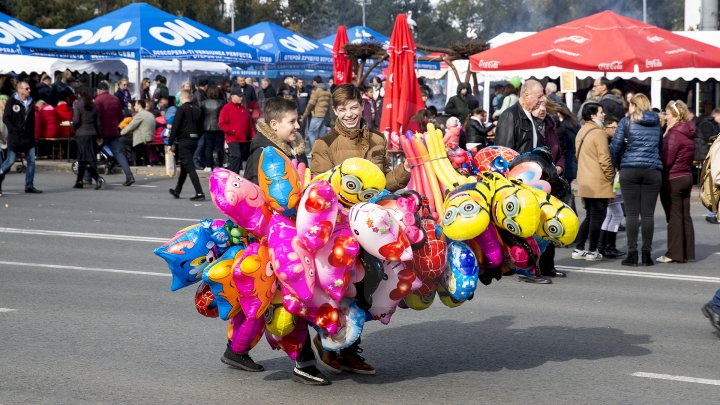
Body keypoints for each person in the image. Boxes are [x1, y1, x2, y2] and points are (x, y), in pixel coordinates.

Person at [311, 84, 411, 375]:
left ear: (362, 105)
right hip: (339, 227)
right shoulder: (325, 144)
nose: (349, 113)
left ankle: (348, 347)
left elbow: (384, 183)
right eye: (342, 109)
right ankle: (330, 342)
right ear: (335, 111)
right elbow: (321, 188)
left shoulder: (378, 139)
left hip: (373, 225)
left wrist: (405, 170)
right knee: (344, 288)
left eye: (353, 107)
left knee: (371, 286)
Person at [228, 97, 327, 385]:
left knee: (264, 297)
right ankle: (305, 362)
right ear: (274, 124)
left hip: (290, 231)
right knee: (291, 298)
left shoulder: (288, 149)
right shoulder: (263, 153)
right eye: (292, 121)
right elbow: (251, 197)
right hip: (273, 237)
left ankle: (235, 350)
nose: (298, 125)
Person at [494, 80, 567, 283]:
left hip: (536, 180)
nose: (542, 99)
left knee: (544, 221)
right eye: (538, 95)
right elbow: (504, 152)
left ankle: (544, 265)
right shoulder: (511, 116)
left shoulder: (533, 117)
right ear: (525, 95)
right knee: (528, 226)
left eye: (542, 95)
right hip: (520, 181)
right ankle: (527, 269)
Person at [610, 93, 663, 267]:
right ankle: (646, 255)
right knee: (648, 214)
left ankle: (632, 254)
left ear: (633, 105)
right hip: (652, 170)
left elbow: (615, 146)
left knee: (632, 214)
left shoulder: (626, 122)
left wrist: (617, 165)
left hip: (630, 169)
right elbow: (660, 146)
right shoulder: (656, 122)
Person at [571, 103, 614, 261]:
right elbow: (605, 159)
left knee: (590, 215)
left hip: (585, 179)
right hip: (598, 180)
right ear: (593, 115)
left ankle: (580, 247)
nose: (604, 115)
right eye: (601, 112)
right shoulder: (598, 133)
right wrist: (611, 176)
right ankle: (592, 249)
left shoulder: (582, 130)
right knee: (598, 216)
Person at [657, 100, 695, 263]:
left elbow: (667, 160)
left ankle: (674, 253)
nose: (665, 117)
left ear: (675, 116)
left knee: (674, 217)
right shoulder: (688, 132)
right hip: (686, 176)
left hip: (673, 178)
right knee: (684, 216)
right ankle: (687, 252)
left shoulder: (673, 134)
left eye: (667, 114)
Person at [0, 81, 42, 195]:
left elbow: (32, 121)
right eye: (27, 89)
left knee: (32, 161)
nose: (29, 90)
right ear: (20, 90)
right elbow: (6, 118)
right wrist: (13, 129)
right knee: (10, 161)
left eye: (29, 88)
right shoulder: (12, 101)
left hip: (28, 138)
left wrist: (33, 135)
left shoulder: (31, 102)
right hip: (15, 137)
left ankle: (29, 185)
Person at [95, 81, 135, 186]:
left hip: (102, 133)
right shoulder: (115, 99)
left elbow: (96, 118)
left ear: (99, 90)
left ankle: (88, 176)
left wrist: (98, 134)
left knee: (92, 153)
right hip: (113, 131)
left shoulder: (98, 100)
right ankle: (129, 176)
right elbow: (121, 117)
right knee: (119, 154)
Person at [597, 118, 626, 259]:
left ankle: (604, 246)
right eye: (612, 127)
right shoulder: (607, 144)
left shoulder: (611, 142)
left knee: (611, 214)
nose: (615, 130)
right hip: (610, 182)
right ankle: (607, 246)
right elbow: (608, 165)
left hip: (611, 181)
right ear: (605, 128)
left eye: (616, 127)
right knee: (616, 214)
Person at [168, 90, 205, 201]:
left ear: (182, 98)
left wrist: (170, 143)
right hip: (194, 141)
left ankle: (199, 192)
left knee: (190, 167)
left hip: (184, 141)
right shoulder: (197, 110)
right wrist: (197, 136)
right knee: (185, 167)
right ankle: (177, 190)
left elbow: (175, 127)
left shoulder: (181, 109)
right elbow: (201, 127)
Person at [71, 88, 104, 189]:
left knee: (85, 158)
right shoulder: (94, 106)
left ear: (79, 94)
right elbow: (98, 123)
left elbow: (76, 121)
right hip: (92, 133)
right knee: (83, 158)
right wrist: (99, 136)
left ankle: (97, 178)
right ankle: (79, 181)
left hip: (81, 134)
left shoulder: (78, 105)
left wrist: (73, 126)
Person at [218, 89, 254, 174]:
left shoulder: (243, 109)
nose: (241, 98)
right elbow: (221, 124)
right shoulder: (226, 108)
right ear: (232, 97)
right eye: (239, 96)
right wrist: (232, 130)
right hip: (232, 138)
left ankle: (234, 176)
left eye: (242, 96)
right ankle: (231, 175)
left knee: (239, 158)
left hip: (243, 139)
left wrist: (253, 135)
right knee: (236, 156)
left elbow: (249, 124)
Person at [120, 100, 155, 167]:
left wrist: (121, 132)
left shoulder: (140, 115)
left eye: (135, 105)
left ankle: (125, 161)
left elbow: (131, 126)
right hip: (150, 137)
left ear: (139, 105)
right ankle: (135, 160)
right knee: (129, 139)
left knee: (121, 140)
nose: (134, 107)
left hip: (142, 138)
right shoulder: (150, 114)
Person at [301, 76, 331, 152]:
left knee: (311, 132)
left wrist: (304, 116)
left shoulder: (316, 90)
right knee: (322, 134)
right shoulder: (327, 90)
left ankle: (314, 150)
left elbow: (310, 104)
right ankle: (324, 151)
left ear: (315, 81)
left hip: (317, 114)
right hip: (324, 114)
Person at [201, 86, 226, 170]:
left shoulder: (203, 103)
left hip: (207, 126)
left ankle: (208, 165)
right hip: (218, 127)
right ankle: (219, 163)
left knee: (208, 147)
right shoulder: (221, 102)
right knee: (219, 146)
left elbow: (202, 115)